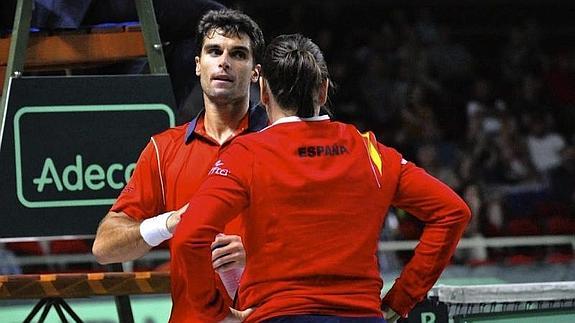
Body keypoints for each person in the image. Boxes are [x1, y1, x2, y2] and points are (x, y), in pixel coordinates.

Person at [170, 34, 471, 322]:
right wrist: (400, 300)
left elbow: (189, 236)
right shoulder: (370, 152)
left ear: (263, 92)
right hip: (362, 316)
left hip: (279, 315)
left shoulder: (246, 153)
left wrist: (213, 311)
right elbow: (452, 212)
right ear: (324, 90)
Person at [92, 8, 266, 296]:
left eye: (238, 54)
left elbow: (327, 237)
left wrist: (260, 255)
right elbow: (104, 246)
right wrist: (168, 223)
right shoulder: (164, 149)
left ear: (255, 73)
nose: (224, 62)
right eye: (214, 51)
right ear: (198, 65)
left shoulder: (281, 141)